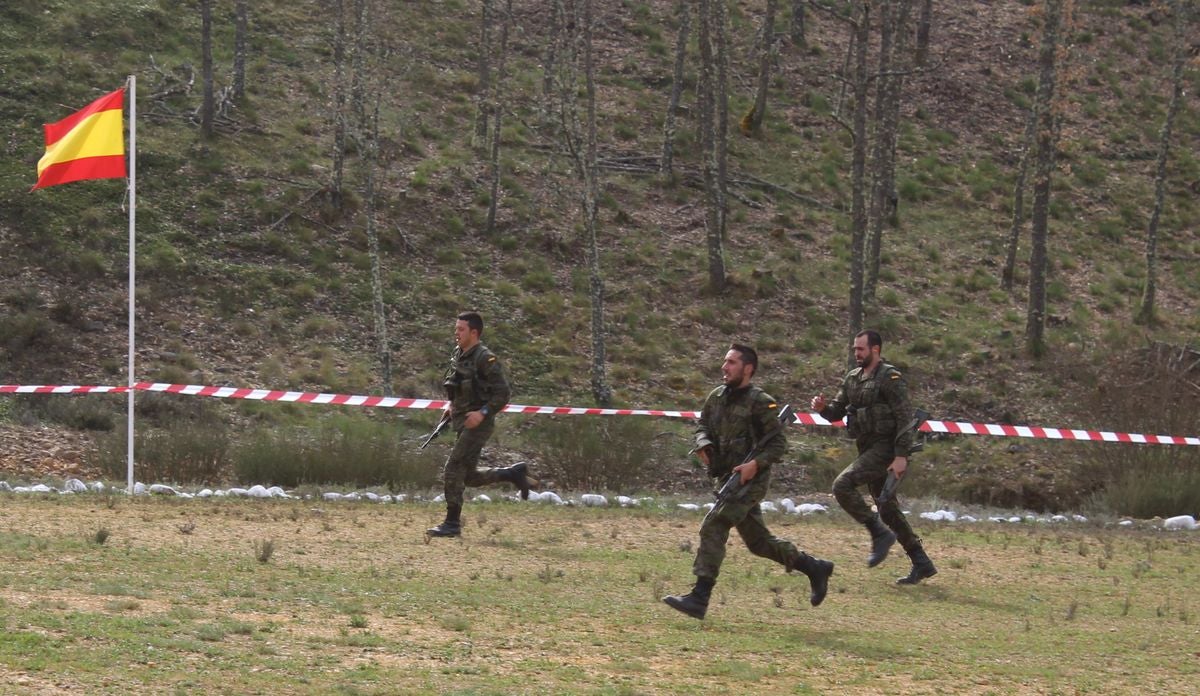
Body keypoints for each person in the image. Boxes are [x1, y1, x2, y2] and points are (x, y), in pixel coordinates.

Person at [663, 344, 834, 620]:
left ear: (748, 368)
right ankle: (814, 567)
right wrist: (703, 445)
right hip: (727, 476)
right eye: (725, 362)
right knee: (758, 543)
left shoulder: (760, 401)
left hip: (750, 481)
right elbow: (702, 426)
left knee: (714, 523)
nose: (724, 367)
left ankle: (700, 596)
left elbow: (778, 443)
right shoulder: (716, 397)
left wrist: (754, 465)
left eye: (731, 362)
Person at [811, 329, 936, 584]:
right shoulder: (853, 378)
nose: (856, 354)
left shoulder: (890, 377)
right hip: (866, 447)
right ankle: (921, 561)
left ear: (875, 350)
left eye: (861, 349)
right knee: (888, 508)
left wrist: (900, 456)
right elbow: (837, 411)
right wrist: (824, 409)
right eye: (855, 349)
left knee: (842, 485)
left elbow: (904, 418)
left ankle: (879, 534)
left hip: (886, 448)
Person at [427, 311, 537, 538]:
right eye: (456, 328)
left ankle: (452, 523)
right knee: (469, 477)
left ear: (474, 332)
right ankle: (513, 474)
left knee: (453, 468)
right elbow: (457, 384)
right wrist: (451, 405)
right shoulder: (459, 354)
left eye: (461, 329)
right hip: (461, 421)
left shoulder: (485, 358)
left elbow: (503, 393)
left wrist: (482, 412)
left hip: (479, 425)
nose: (456, 333)